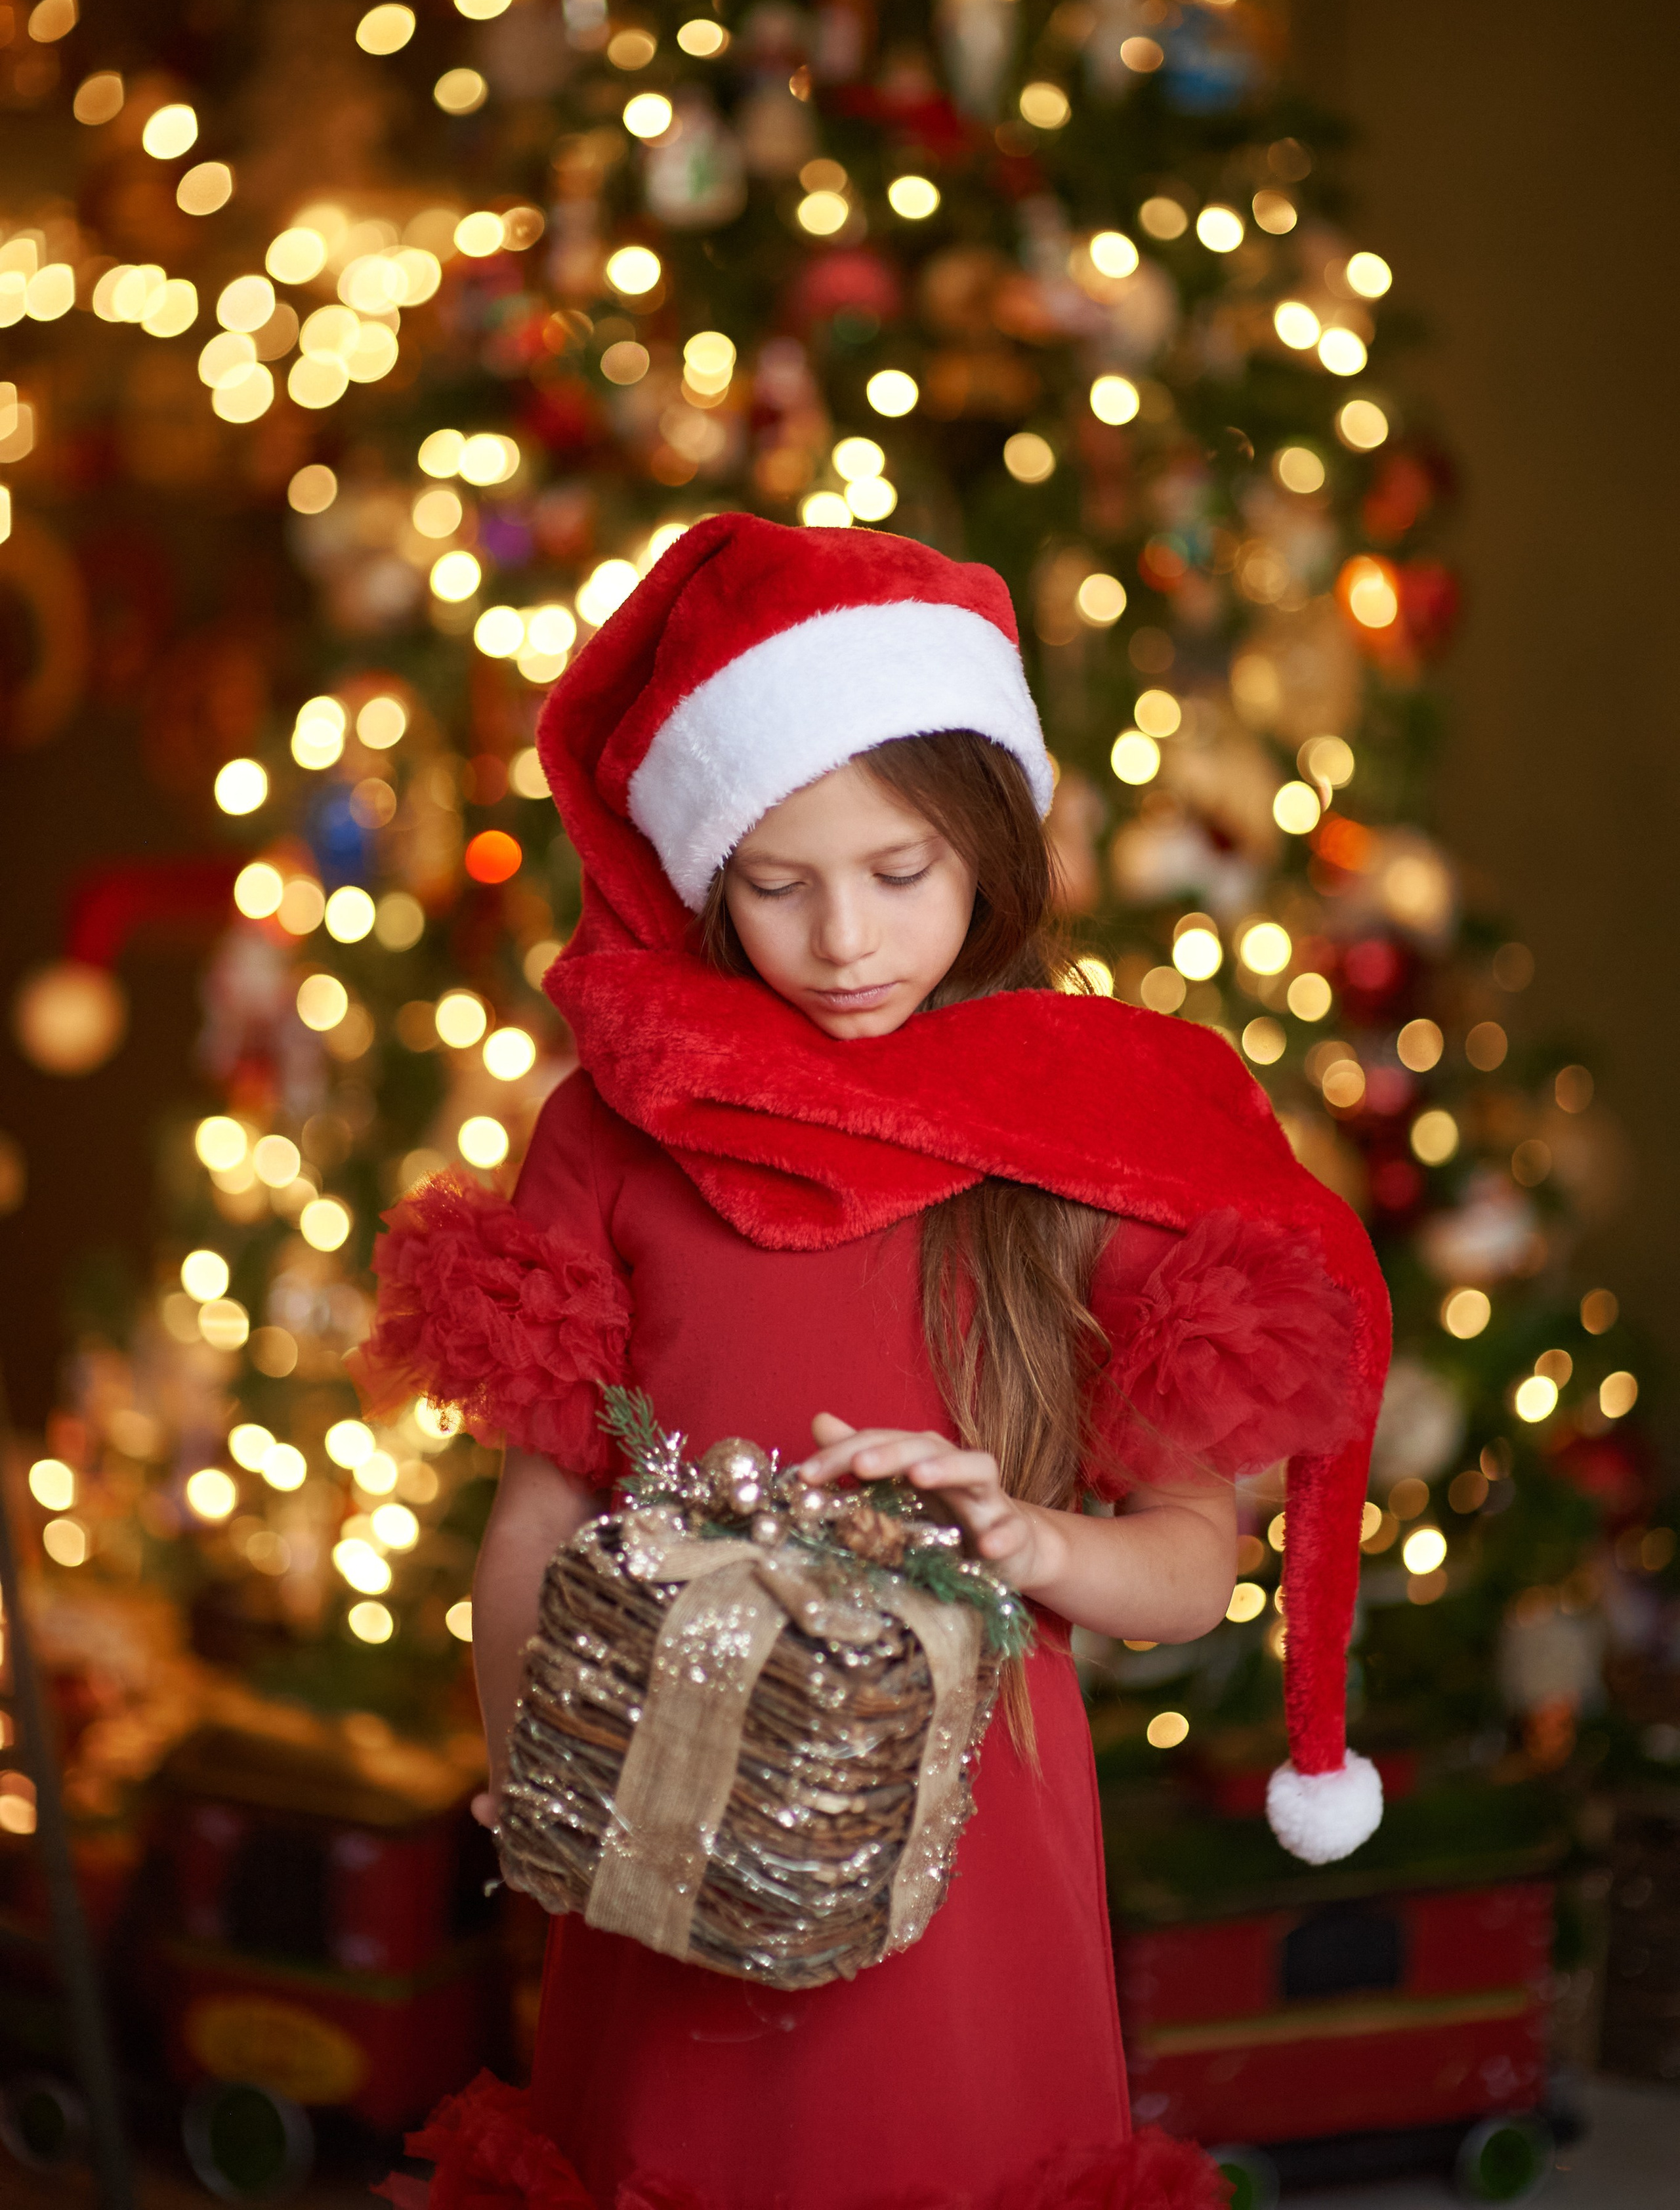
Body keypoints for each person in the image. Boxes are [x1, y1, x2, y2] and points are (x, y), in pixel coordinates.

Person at [364, 515, 1391, 2210]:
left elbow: (1195, 1569)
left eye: (899, 872)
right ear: (705, 876)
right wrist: (541, 1779)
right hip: (673, 1801)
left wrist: (1033, 1541)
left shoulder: (1082, 1147)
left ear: (992, 849)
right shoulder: (618, 1135)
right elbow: (535, 1525)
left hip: (973, 1876)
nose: (843, 939)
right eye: (776, 882)